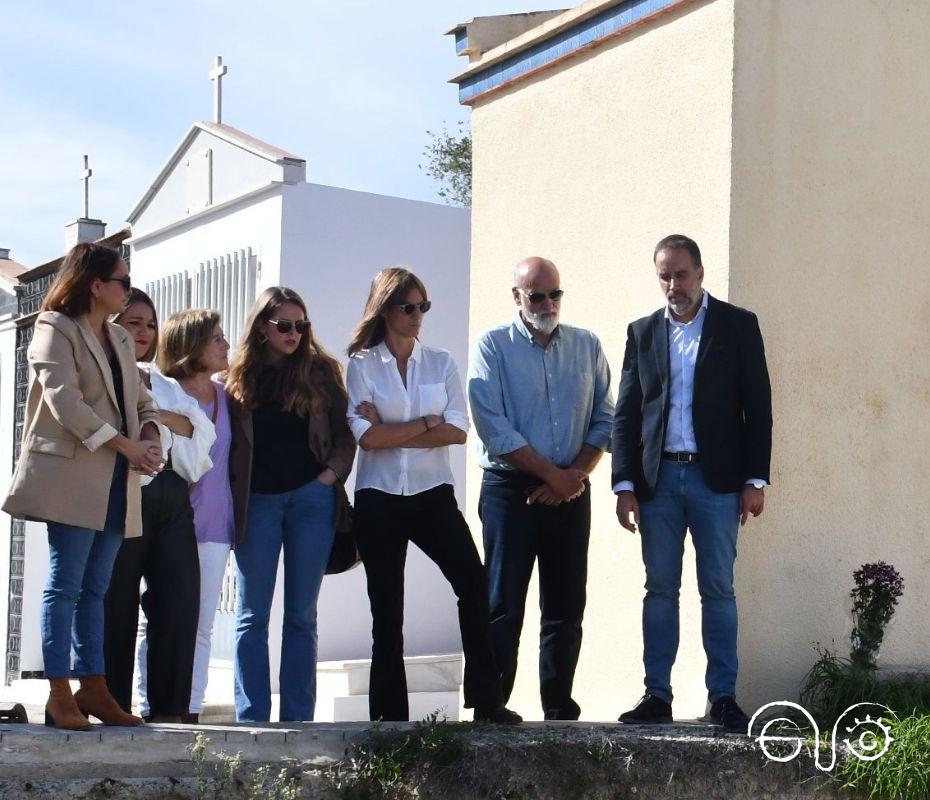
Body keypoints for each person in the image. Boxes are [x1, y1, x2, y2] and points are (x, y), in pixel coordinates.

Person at [346, 267, 520, 725]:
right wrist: (427, 422)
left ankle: (487, 699)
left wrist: (396, 428)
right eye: (408, 307)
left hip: (431, 494)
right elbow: (367, 439)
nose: (418, 315)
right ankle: (389, 719)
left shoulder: (441, 362)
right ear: (386, 310)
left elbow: (459, 431)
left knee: (473, 583)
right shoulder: (362, 365)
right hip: (378, 497)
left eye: (424, 305)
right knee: (387, 610)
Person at [612, 234, 772, 733]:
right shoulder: (642, 332)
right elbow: (626, 414)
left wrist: (755, 479)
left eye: (681, 274)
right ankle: (656, 695)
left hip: (717, 481)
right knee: (659, 589)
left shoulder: (737, 326)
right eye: (665, 275)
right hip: (658, 481)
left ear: (700, 274)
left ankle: (722, 697)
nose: (673, 285)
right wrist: (623, 484)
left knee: (718, 590)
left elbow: (758, 407)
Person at [2, 242, 162, 729]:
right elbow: (65, 403)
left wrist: (150, 435)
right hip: (73, 477)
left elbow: (142, 400)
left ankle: (94, 689)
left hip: (116, 479)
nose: (128, 291)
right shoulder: (54, 327)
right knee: (65, 586)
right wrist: (127, 447)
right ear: (96, 285)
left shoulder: (117, 338)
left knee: (98, 589)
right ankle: (58, 693)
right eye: (123, 281)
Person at [467, 256, 614, 720]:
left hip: (573, 485)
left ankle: (558, 707)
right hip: (511, 490)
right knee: (503, 603)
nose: (548, 303)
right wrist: (555, 477)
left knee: (566, 605)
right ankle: (491, 707)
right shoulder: (492, 346)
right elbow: (494, 426)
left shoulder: (587, 345)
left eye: (555, 294)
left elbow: (607, 416)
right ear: (517, 297)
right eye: (537, 295)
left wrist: (574, 476)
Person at [226, 287, 355, 722]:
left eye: (302, 326)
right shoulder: (239, 377)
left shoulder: (321, 372)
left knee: (301, 614)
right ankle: (251, 717)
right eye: (284, 325)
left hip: (310, 501)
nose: (294, 333)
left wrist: (330, 476)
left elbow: (344, 433)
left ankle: (298, 717)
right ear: (262, 327)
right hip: (257, 502)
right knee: (251, 614)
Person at [104, 289, 207, 722]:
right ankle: (111, 705)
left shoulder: (162, 381)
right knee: (117, 604)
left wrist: (156, 414)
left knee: (180, 602)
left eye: (150, 323)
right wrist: (166, 420)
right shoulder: (104, 372)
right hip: (124, 492)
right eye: (134, 322)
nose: (145, 332)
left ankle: (170, 712)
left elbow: (199, 429)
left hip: (172, 498)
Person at [157, 309, 233, 723]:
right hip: (170, 522)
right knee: (162, 617)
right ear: (191, 346)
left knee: (202, 623)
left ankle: (191, 708)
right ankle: (151, 702)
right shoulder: (168, 394)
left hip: (216, 526)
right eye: (216, 338)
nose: (225, 344)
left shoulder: (228, 397)